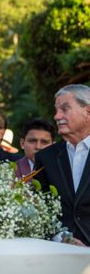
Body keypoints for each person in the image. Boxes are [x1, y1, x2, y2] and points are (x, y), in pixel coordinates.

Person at [35, 84, 90, 245]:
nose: (57, 116)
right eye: (56, 110)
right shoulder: (46, 157)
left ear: (88, 112)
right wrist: (62, 238)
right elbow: (40, 209)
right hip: (59, 253)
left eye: (64, 109)